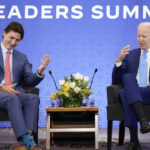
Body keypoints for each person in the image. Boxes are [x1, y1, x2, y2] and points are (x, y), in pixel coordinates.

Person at [0, 22, 50, 150]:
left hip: (15, 92)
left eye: (17, 40)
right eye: (11, 38)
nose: (13, 42)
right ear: (4, 33)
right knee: (12, 98)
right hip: (2, 93)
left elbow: (29, 81)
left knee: (33, 98)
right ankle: (29, 144)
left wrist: (40, 71)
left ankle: (24, 144)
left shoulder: (21, 57)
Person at [112, 22, 150, 150]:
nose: (140, 39)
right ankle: (143, 122)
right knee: (127, 81)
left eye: (144, 36)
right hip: (134, 91)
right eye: (138, 36)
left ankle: (134, 141)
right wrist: (119, 61)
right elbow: (116, 82)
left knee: (126, 94)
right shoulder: (131, 55)